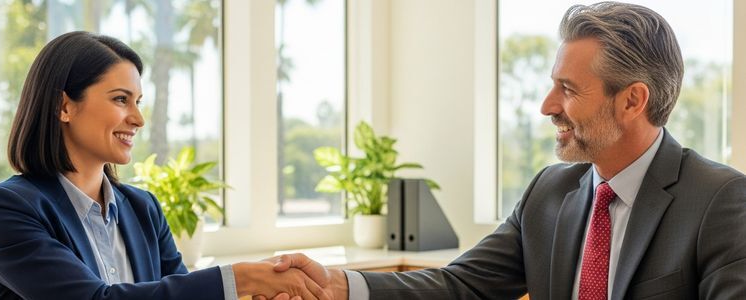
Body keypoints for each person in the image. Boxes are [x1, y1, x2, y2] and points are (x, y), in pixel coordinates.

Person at [268, 2, 746, 299]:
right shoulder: (548, 192)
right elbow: (460, 285)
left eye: (569, 89)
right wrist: (339, 286)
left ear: (633, 100)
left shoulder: (720, 200)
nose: (547, 106)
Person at [0, 31, 330, 300]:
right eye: (121, 99)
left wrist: (259, 289)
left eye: (138, 101)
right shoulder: (3, 210)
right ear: (64, 106)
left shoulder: (143, 208)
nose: (138, 118)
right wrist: (240, 279)